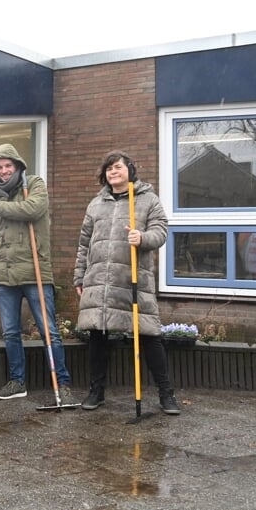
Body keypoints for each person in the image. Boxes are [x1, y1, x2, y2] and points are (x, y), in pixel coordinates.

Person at [0, 144, 78, 402]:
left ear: (17, 165)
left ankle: (63, 384)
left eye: (8, 166)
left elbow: (32, 210)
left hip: (35, 272)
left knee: (49, 330)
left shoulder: (34, 184)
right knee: (11, 332)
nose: (4, 171)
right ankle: (17, 382)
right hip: (5, 275)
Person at [73, 150, 179, 414]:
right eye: (108, 168)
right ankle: (96, 392)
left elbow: (161, 231)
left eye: (118, 167)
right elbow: (84, 243)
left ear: (130, 170)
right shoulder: (95, 204)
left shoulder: (148, 200)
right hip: (99, 281)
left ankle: (166, 394)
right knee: (98, 334)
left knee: (149, 336)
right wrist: (79, 275)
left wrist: (142, 238)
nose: (113, 172)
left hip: (133, 280)